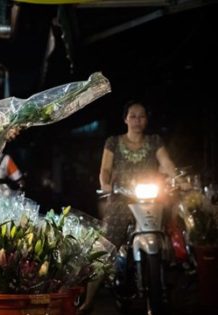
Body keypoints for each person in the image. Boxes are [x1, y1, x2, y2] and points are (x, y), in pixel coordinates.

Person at [79, 100, 177, 313]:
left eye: (141, 116)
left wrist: (177, 177)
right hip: (122, 198)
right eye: (132, 116)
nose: (137, 120)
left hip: (151, 199)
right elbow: (105, 169)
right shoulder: (113, 142)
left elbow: (167, 163)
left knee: (172, 228)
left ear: (147, 120)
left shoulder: (154, 141)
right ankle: (88, 300)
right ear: (125, 119)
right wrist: (105, 183)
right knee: (105, 245)